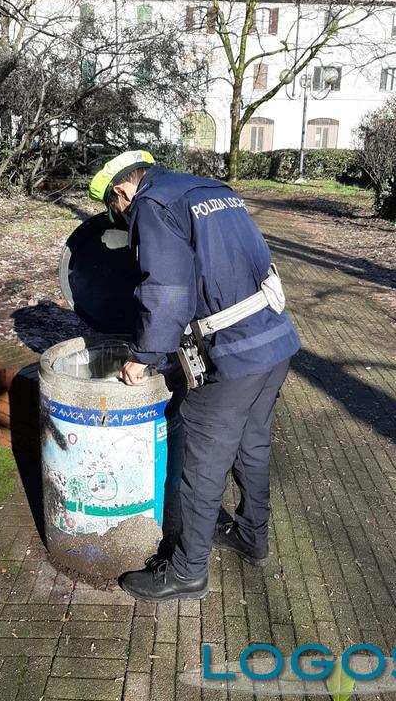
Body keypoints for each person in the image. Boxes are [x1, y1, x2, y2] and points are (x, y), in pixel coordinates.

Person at [88, 150, 301, 602]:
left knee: (202, 466)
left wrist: (144, 355)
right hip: (275, 338)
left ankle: (187, 572)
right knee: (253, 443)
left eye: (115, 210)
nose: (121, 218)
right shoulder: (208, 189)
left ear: (122, 191)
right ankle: (251, 535)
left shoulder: (151, 204)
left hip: (234, 355)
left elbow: (166, 286)